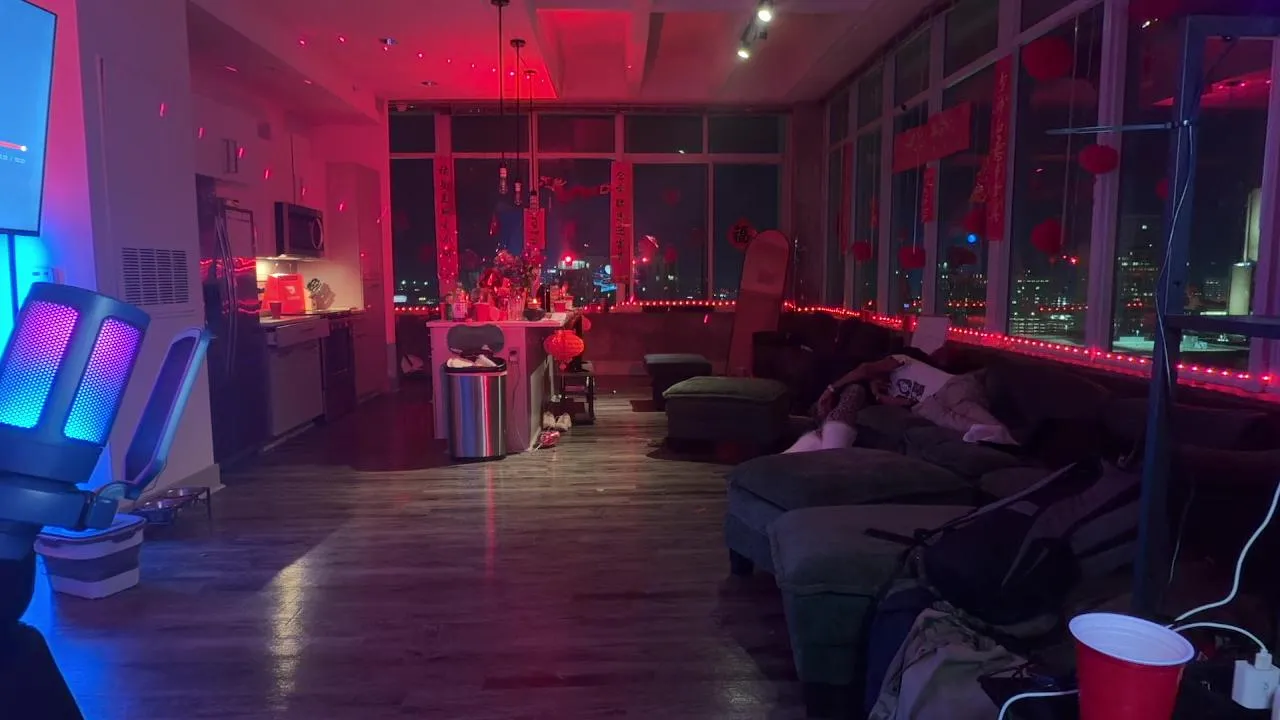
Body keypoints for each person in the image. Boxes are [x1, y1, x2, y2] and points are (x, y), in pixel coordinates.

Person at [783, 351, 925, 454]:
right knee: (854, 390)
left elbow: (865, 370)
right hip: (832, 415)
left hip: (838, 425)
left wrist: (882, 397)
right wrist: (832, 389)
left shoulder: (910, 375)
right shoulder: (893, 368)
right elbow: (865, 370)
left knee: (855, 391)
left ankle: (826, 455)